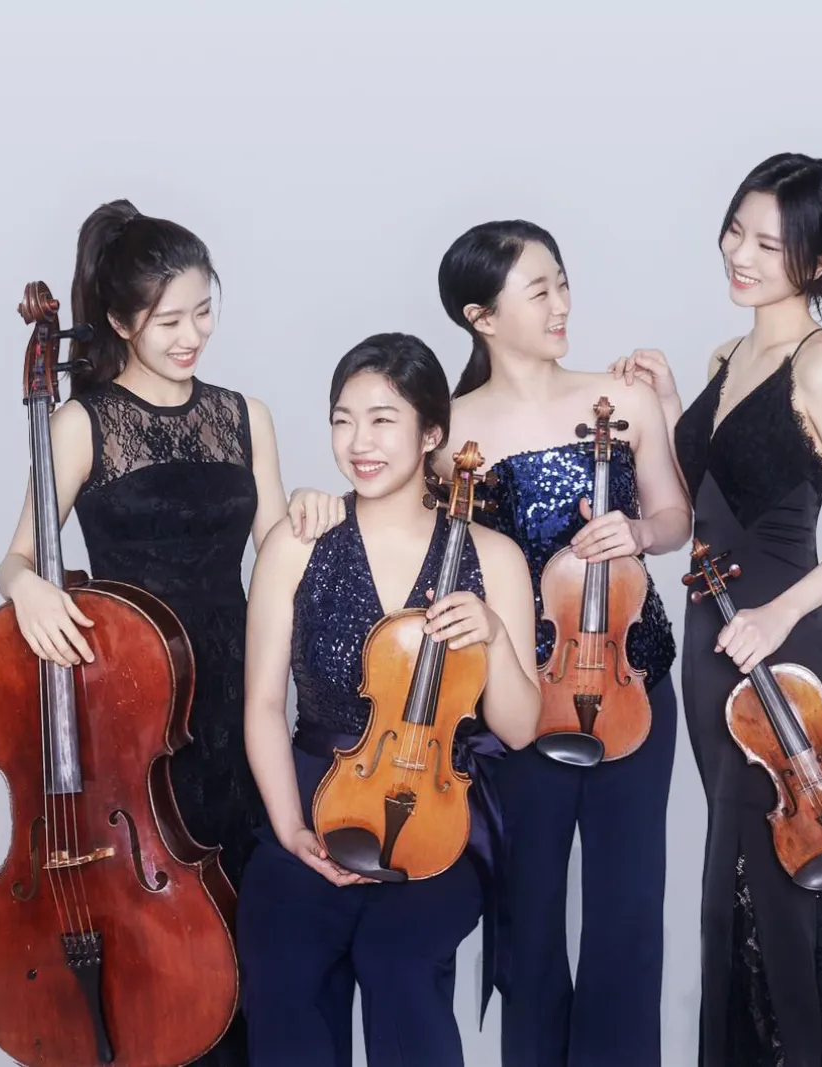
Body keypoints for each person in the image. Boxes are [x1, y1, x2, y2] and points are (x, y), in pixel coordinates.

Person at [0, 198, 340, 1066]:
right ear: (119, 322)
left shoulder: (246, 414)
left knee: (253, 925)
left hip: (239, 691)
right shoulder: (82, 423)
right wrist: (26, 587)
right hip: (135, 710)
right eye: (169, 320)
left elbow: (275, 555)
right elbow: (19, 555)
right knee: (163, 936)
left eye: (204, 312)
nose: (193, 336)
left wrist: (309, 512)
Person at [615, 152, 822, 1065]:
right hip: (715, 637)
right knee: (745, 880)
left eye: (770, 245)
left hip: (785, 645)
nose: (741, 254)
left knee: (765, 887)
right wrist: (672, 404)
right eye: (736, 230)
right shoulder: (728, 356)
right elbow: (705, 503)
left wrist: (779, 615)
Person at [237, 332, 541, 1067]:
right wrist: (291, 829)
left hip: (437, 815)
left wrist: (496, 635)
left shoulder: (493, 556)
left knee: (398, 965)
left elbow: (520, 729)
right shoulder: (297, 543)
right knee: (285, 972)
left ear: (431, 433)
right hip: (310, 795)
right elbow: (263, 706)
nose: (358, 443)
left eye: (382, 420)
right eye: (343, 420)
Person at [436, 220, 690, 1067]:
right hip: (518, 701)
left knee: (627, 917)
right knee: (530, 918)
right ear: (481, 316)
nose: (561, 304)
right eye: (538, 289)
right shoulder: (448, 432)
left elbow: (675, 515)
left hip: (632, 680)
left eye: (563, 282)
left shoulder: (623, 400)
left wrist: (639, 534)